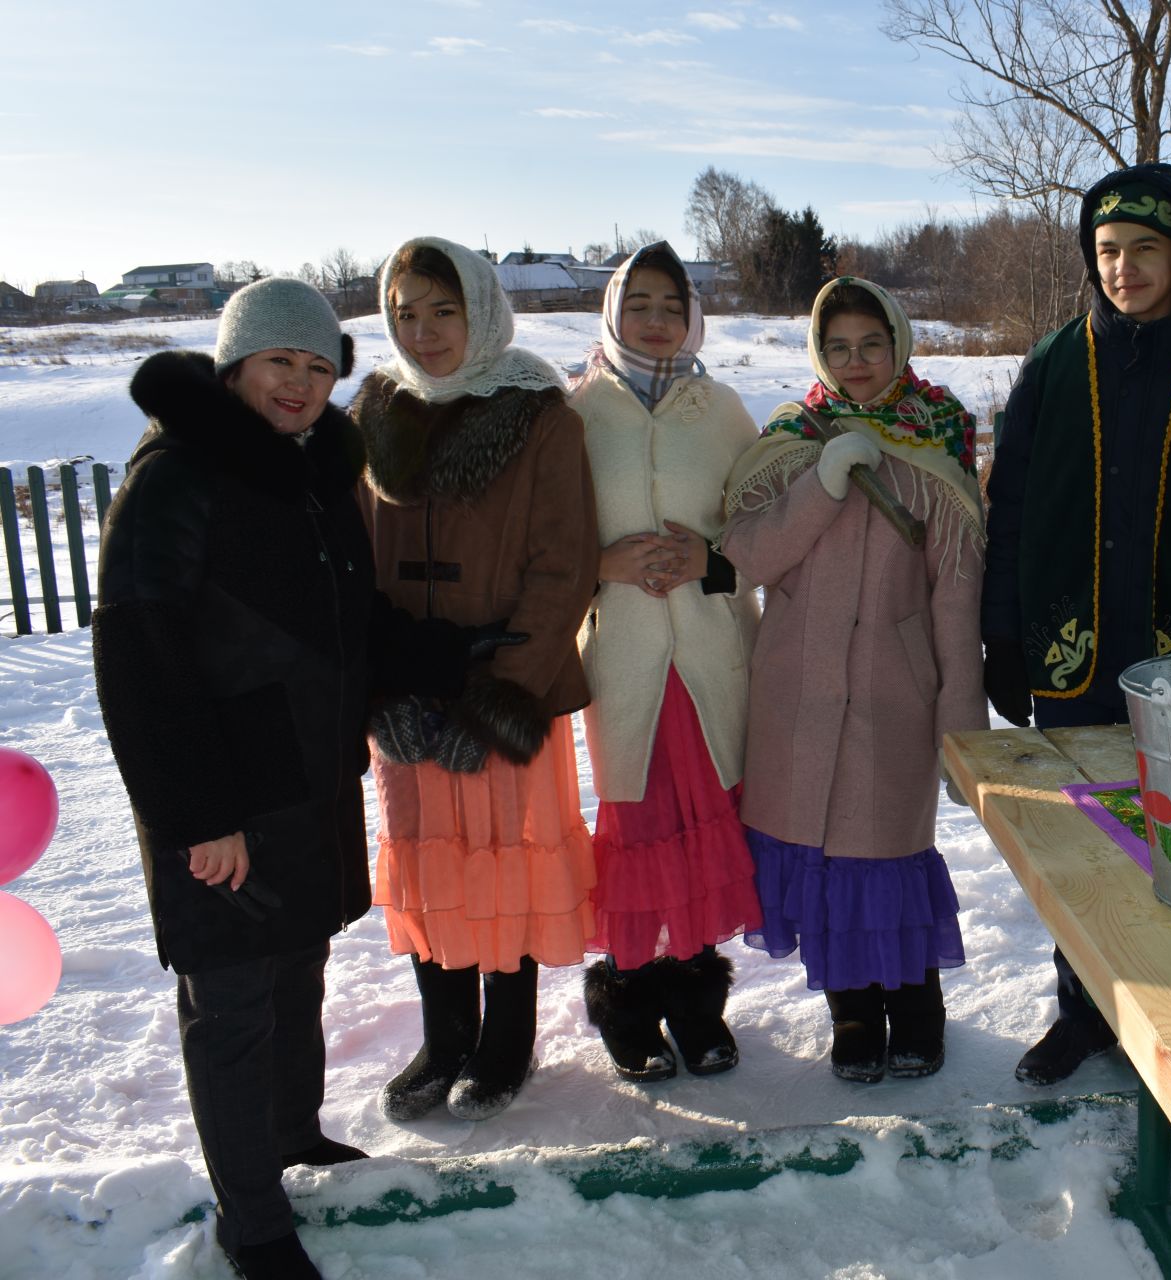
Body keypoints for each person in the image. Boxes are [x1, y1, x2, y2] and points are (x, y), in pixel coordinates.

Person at [93, 279, 490, 1280]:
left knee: (294, 975)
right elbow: (140, 664)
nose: (301, 385)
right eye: (282, 363)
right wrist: (201, 816)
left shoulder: (310, 475)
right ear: (236, 365)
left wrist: (447, 653)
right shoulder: (176, 478)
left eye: (318, 368)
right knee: (229, 1002)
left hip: (307, 781)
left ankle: (290, 1140)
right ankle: (253, 1221)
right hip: (221, 797)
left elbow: (345, 623)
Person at [980, 163, 1171, 1085]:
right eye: (1108, 250)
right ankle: (1086, 1009)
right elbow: (1011, 507)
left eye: (1145, 248)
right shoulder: (1056, 363)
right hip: (1076, 653)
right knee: (1088, 854)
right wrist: (1007, 636)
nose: (1125, 267)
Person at [353, 236, 601, 1124]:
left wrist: (506, 694)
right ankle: (445, 1034)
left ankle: (505, 1040)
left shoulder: (539, 414)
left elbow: (563, 566)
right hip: (408, 692)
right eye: (405, 313)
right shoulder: (373, 412)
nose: (421, 333)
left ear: (483, 313)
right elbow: (352, 563)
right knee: (428, 865)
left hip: (503, 684)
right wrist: (378, 691)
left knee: (502, 863)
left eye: (442, 311)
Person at [721, 276, 986, 1083]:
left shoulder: (936, 442)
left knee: (886, 859)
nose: (858, 361)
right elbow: (743, 559)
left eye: (872, 344)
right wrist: (824, 480)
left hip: (892, 699)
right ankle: (850, 1017)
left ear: (898, 344)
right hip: (795, 698)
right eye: (839, 347)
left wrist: (960, 729)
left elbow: (955, 599)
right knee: (822, 866)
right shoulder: (791, 440)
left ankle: (916, 1010)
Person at [570, 241, 762, 1081]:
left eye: (670, 305)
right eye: (638, 303)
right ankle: (625, 1003)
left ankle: (696, 1002)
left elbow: (769, 530)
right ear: (613, 312)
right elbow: (538, 542)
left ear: (692, 316)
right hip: (624, 660)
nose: (655, 320)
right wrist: (599, 565)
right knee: (638, 827)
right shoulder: (573, 415)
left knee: (705, 821)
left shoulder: (723, 412)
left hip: (712, 651)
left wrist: (712, 562)